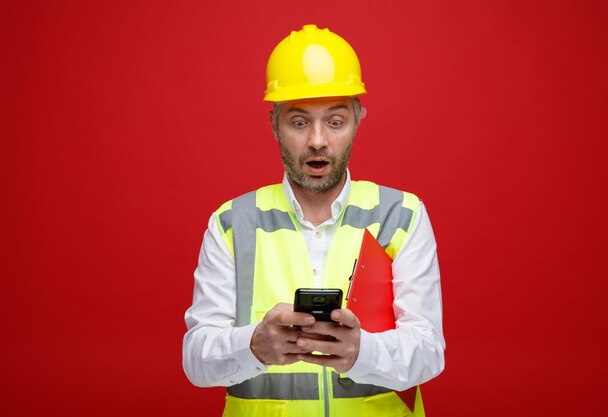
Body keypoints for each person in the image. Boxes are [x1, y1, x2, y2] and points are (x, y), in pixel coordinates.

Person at [183, 24, 445, 417]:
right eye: (300, 122)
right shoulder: (232, 224)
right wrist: (252, 346)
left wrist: (363, 352)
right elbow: (196, 362)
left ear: (357, 120)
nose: (318, 140)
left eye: (335, 121)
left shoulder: (401, 216)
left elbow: (429, 352)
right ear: (275, 125)